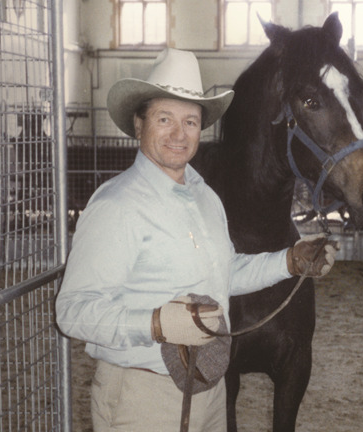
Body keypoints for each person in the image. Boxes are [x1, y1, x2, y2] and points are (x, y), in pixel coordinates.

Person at [56, 48, 338, 432]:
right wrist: (156, 324)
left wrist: (289, 260)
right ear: (139, 124)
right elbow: (72, 312)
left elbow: (224, 272)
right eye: (164, 118)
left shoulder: (204, 195)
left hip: (210, 390)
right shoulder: (116, 205)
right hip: (144, 397)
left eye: (190, 121)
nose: (179, 133)